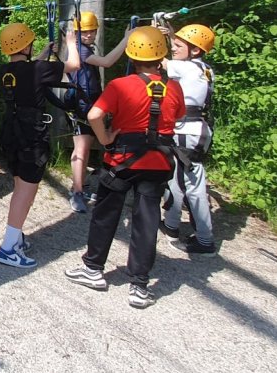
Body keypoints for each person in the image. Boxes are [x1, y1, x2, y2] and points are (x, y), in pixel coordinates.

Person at [64, 26, 186, 308]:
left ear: (131, 54)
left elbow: (95, 114)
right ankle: (140, 286)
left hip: (121, 160)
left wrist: (106, 137)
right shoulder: (174, 87)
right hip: (157, 162)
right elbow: (178, 117)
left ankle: (93, 269)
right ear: (161, 55)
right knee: (147, 221)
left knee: (106, 213)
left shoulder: (121, 85)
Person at [0, 22, 79, 268]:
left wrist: (42, 53)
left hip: (11, 132)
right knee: (26, 189)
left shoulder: (5, 70)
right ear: (26, 45)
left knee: (20, 184)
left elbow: (28, 71)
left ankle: (15, 235)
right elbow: (74, 65)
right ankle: (8, 248)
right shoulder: (38, 69)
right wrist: (71, 43)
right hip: (32, 135)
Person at [60, 12, 131, 214]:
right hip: (80, 105)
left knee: (88, 147)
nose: (90, 35)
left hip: (90, 103)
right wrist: (126, 40)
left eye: (93, 31)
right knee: (81, 149)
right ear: (78, 32)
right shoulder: (80, 51)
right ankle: (77, 191)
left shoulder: (85, 48)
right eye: (86, 31)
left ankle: (80, 185)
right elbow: (107, 62)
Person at [158, 23, 217, 256]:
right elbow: (182, 53)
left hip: (186, 130)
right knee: (176, 178)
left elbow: (156, 59)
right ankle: (171, 224)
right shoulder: (203, 68)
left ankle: (204, 239)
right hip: (195, 129)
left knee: (191, 185)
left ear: (194, 50)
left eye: (178, 45)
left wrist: (155, 36)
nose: (173, 47)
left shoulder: (185, 69)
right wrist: (171, 34)